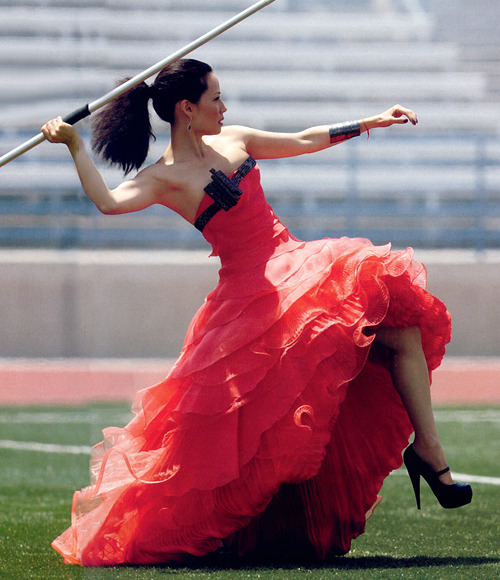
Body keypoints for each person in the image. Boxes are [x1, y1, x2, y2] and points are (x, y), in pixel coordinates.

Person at [43, 59, 472, 567]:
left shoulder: (237, 140)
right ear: (187, 109)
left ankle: (429, 454)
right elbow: (109, 202)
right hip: (249, 298)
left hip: (296, 265)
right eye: (216, 99)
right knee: (258, 430)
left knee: (401, 330)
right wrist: (73, 143)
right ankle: (272, 522)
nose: (225, 109)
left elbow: (305, 139)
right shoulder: (162, 178)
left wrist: (370, 121)